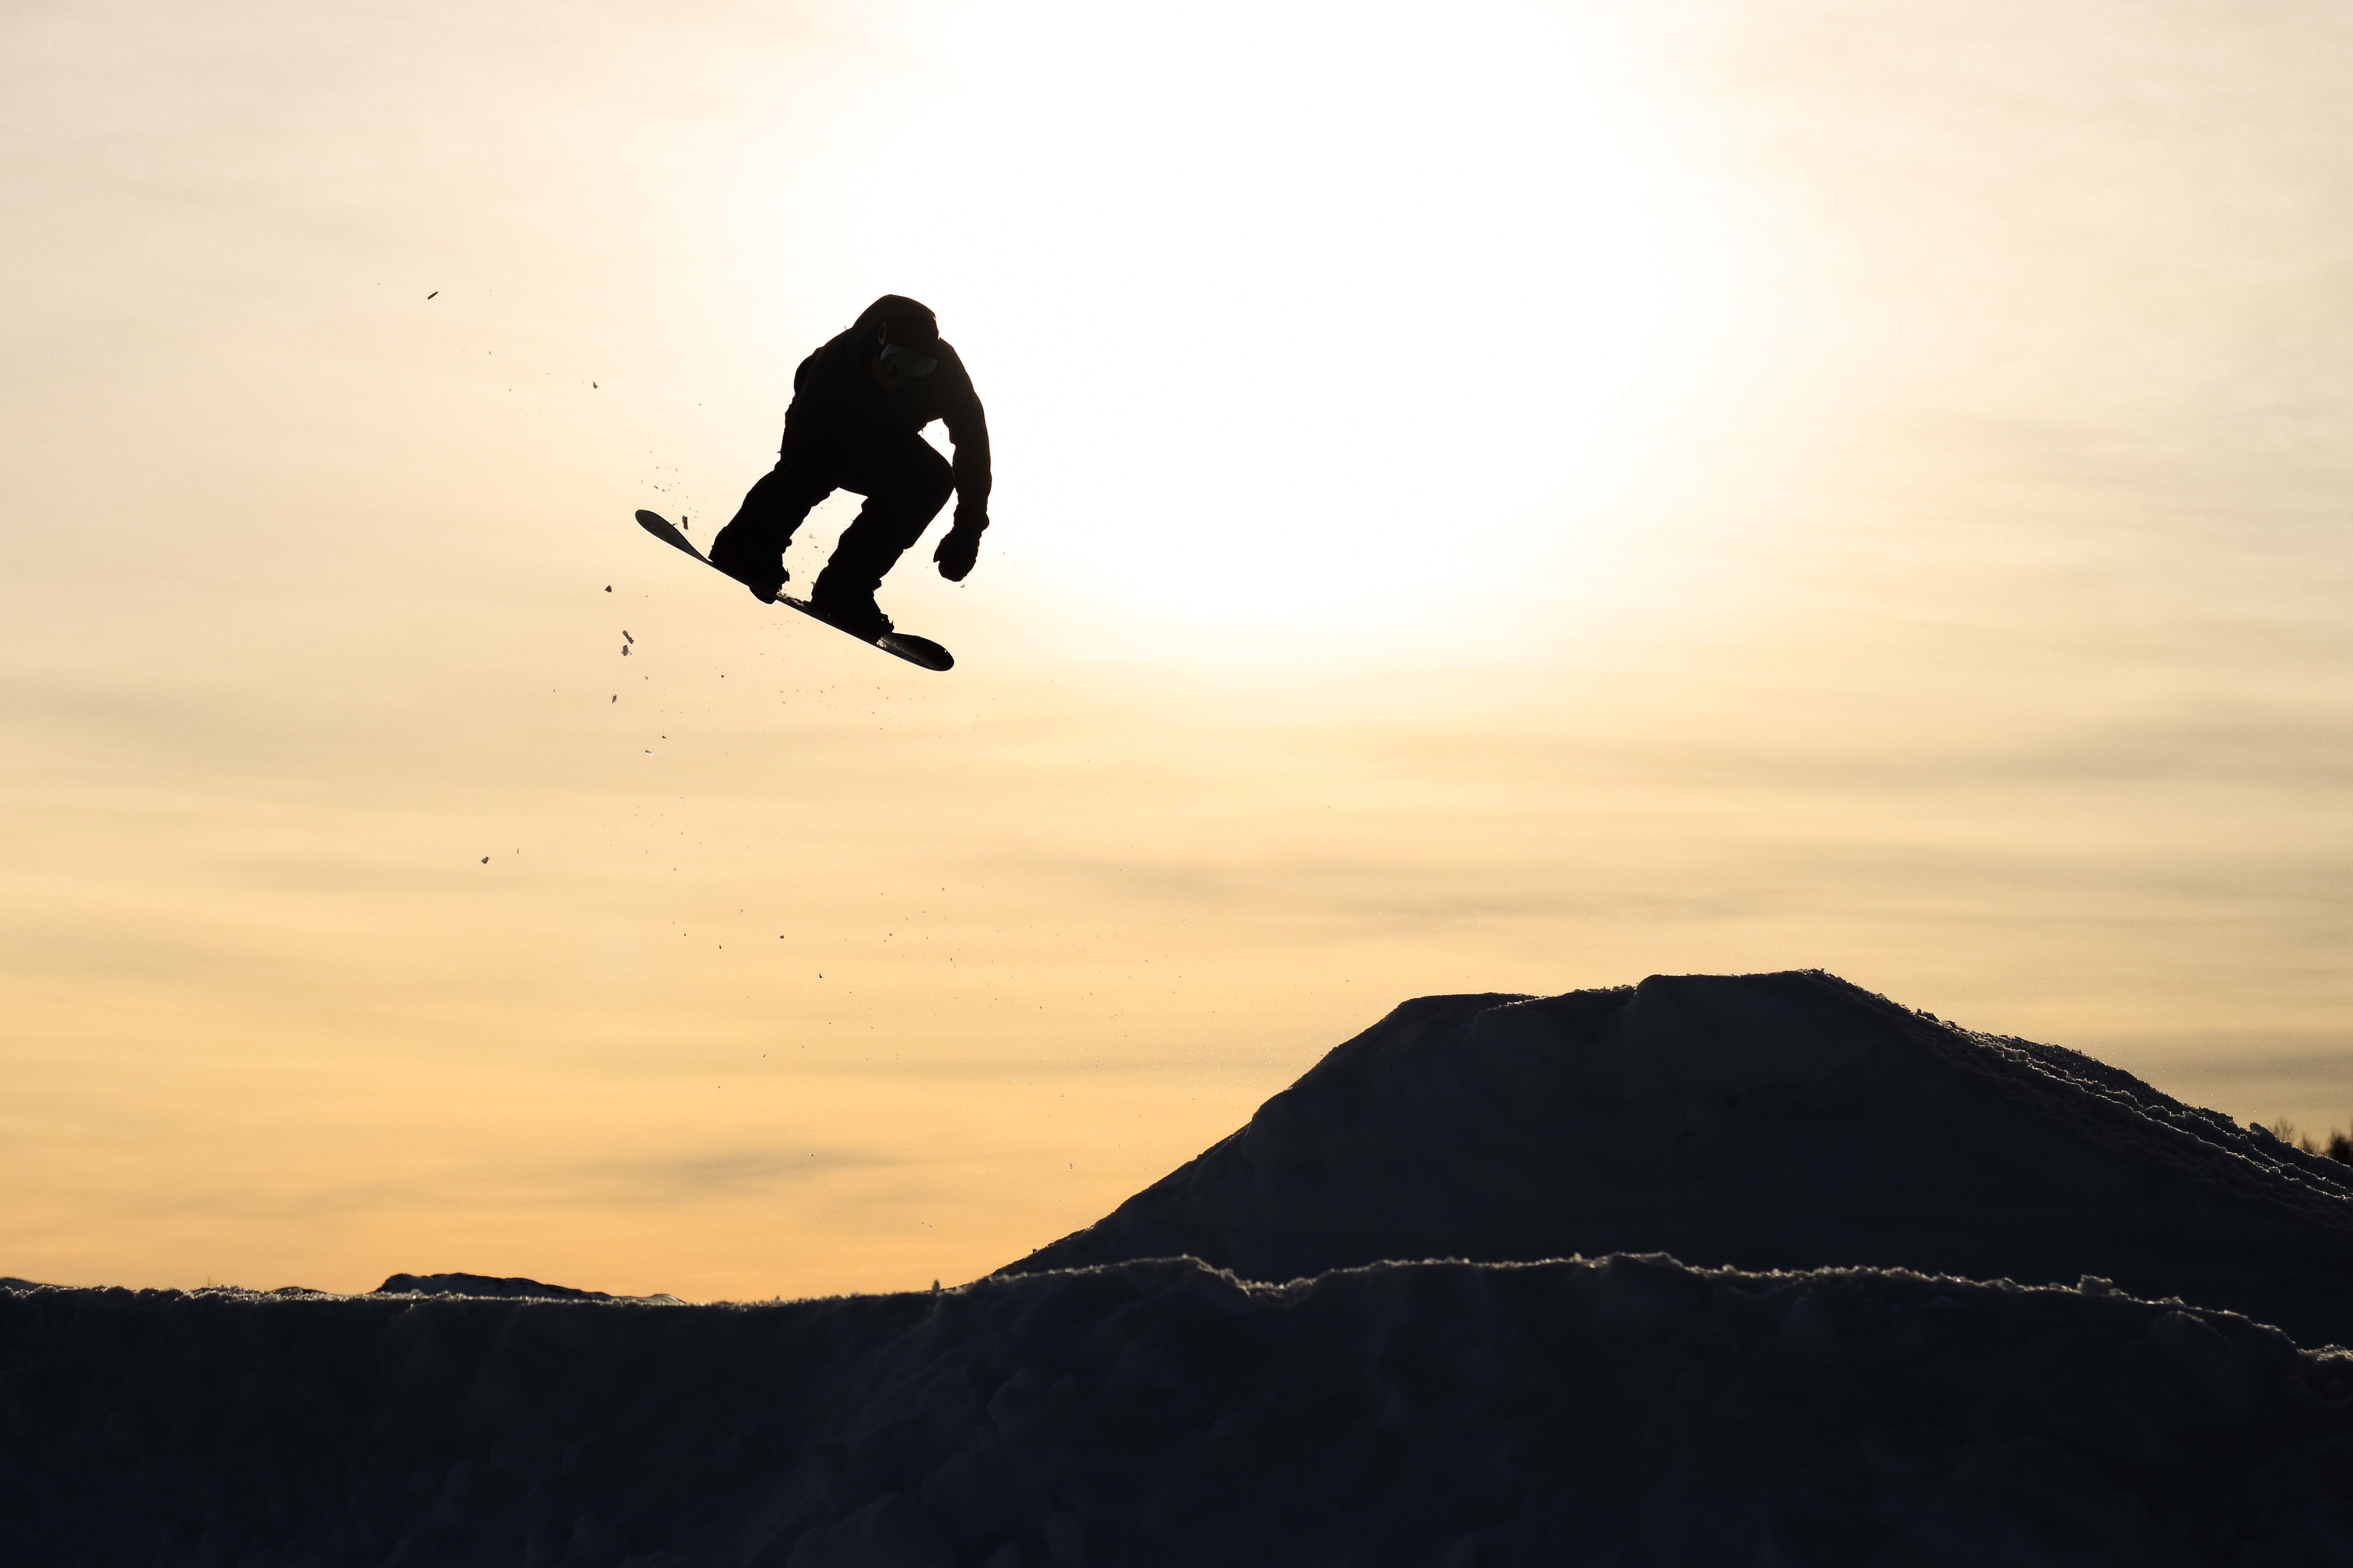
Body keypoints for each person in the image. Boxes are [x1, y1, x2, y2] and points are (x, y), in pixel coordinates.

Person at [707, 295, 990, 639]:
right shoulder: (838, 363)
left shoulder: (946, 376)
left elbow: (973, 446)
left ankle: (846, 587)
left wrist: (968, 530)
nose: (900, 378)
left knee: (932, 479)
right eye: (895, 362)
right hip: (826, 425)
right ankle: (748, 541)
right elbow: (797, 458)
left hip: (887, 440)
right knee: (811, 462)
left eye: (918, 369)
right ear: (878, 345)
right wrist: (766, 537)